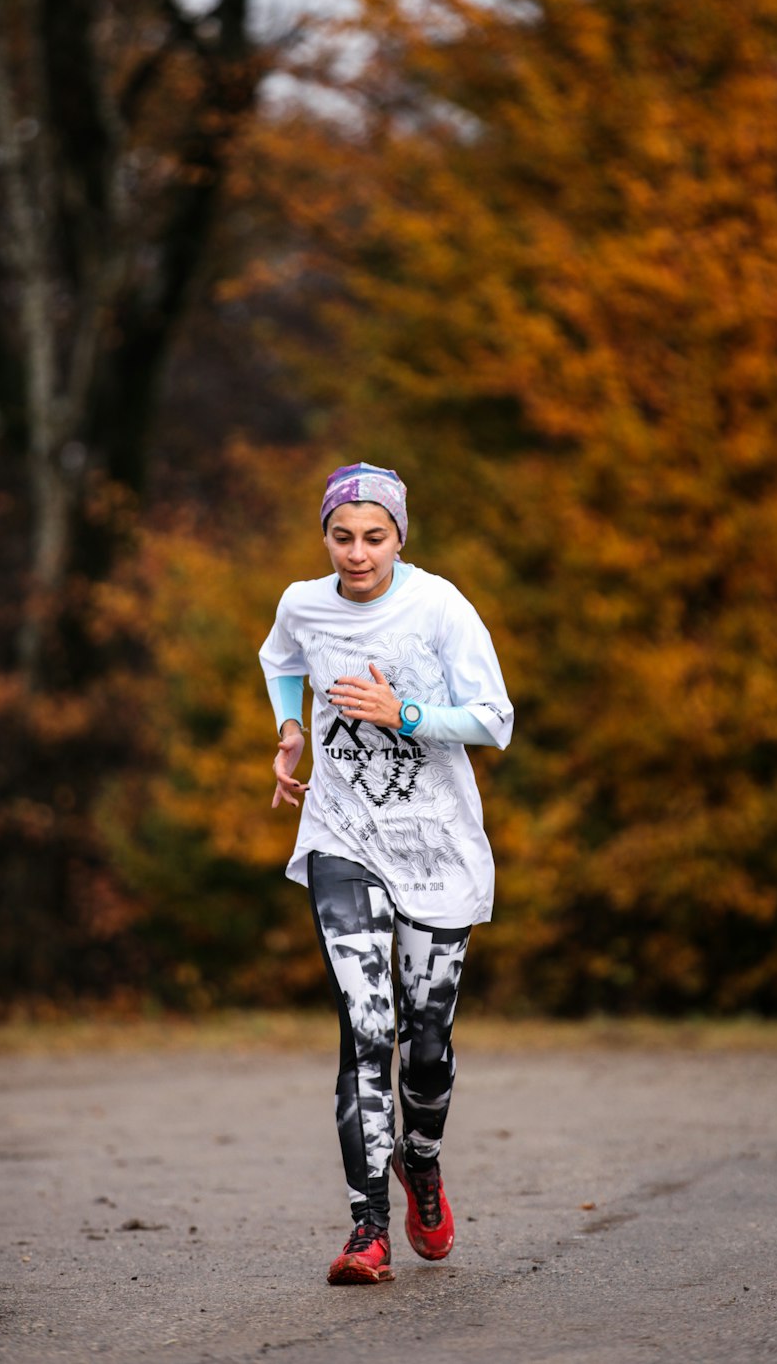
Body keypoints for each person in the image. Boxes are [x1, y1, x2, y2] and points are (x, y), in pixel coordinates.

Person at [259, 462, 513, 1285]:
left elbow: (493, 720)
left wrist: (401, 713)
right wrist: (292, 727)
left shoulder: (439, 607)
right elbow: (279, 656)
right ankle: (367, 1230)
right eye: (342, 537)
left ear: (400, 536)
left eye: (374, 537)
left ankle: (421, 1161)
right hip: (342, 833)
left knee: (427, 1047)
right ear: (324, 535)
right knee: (367, 1030)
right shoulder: (303, 601)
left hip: (436, 845)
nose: (357, 554)